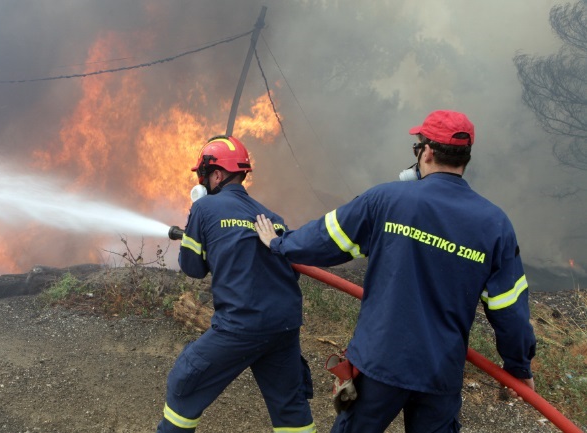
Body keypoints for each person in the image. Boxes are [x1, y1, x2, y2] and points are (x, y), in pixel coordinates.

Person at [254, 110, 536, 433]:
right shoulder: (495, 225)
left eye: (417, 148)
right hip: (439, 373)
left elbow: (325, 239)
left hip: (379, 363)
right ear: (464, 159)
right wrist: (518, 367)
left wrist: (279, 244)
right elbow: (510, 311)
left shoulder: (386, 199)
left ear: (426, 151)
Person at [157, 135, 316, 433]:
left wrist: (198, 224)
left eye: (203, 176)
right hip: (284, 326)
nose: (203, 183)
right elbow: (289, 272)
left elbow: (192, 267)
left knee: (185, 379)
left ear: (216, 174)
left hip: (242, 325)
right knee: (290, 407)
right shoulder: (274, 219)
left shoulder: (205, 209)